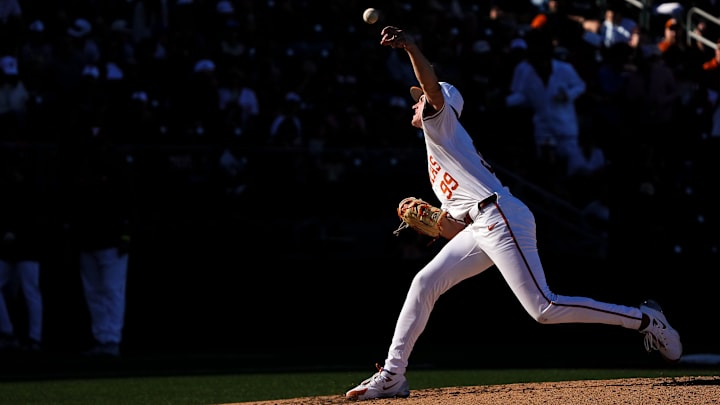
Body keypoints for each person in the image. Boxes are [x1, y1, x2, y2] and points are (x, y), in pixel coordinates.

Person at [345, 25, 683, 401]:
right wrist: (439, 226)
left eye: (419, 98)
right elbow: (463, 234)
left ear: (437, 105)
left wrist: (411, 47)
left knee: (544, 308)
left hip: (499, 215)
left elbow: (432, 88)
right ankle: (393, 375)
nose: (415, 102)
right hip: (485, 221)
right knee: (424, 284)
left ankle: (645, 319)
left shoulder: (441, 124)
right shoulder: (441, 153)